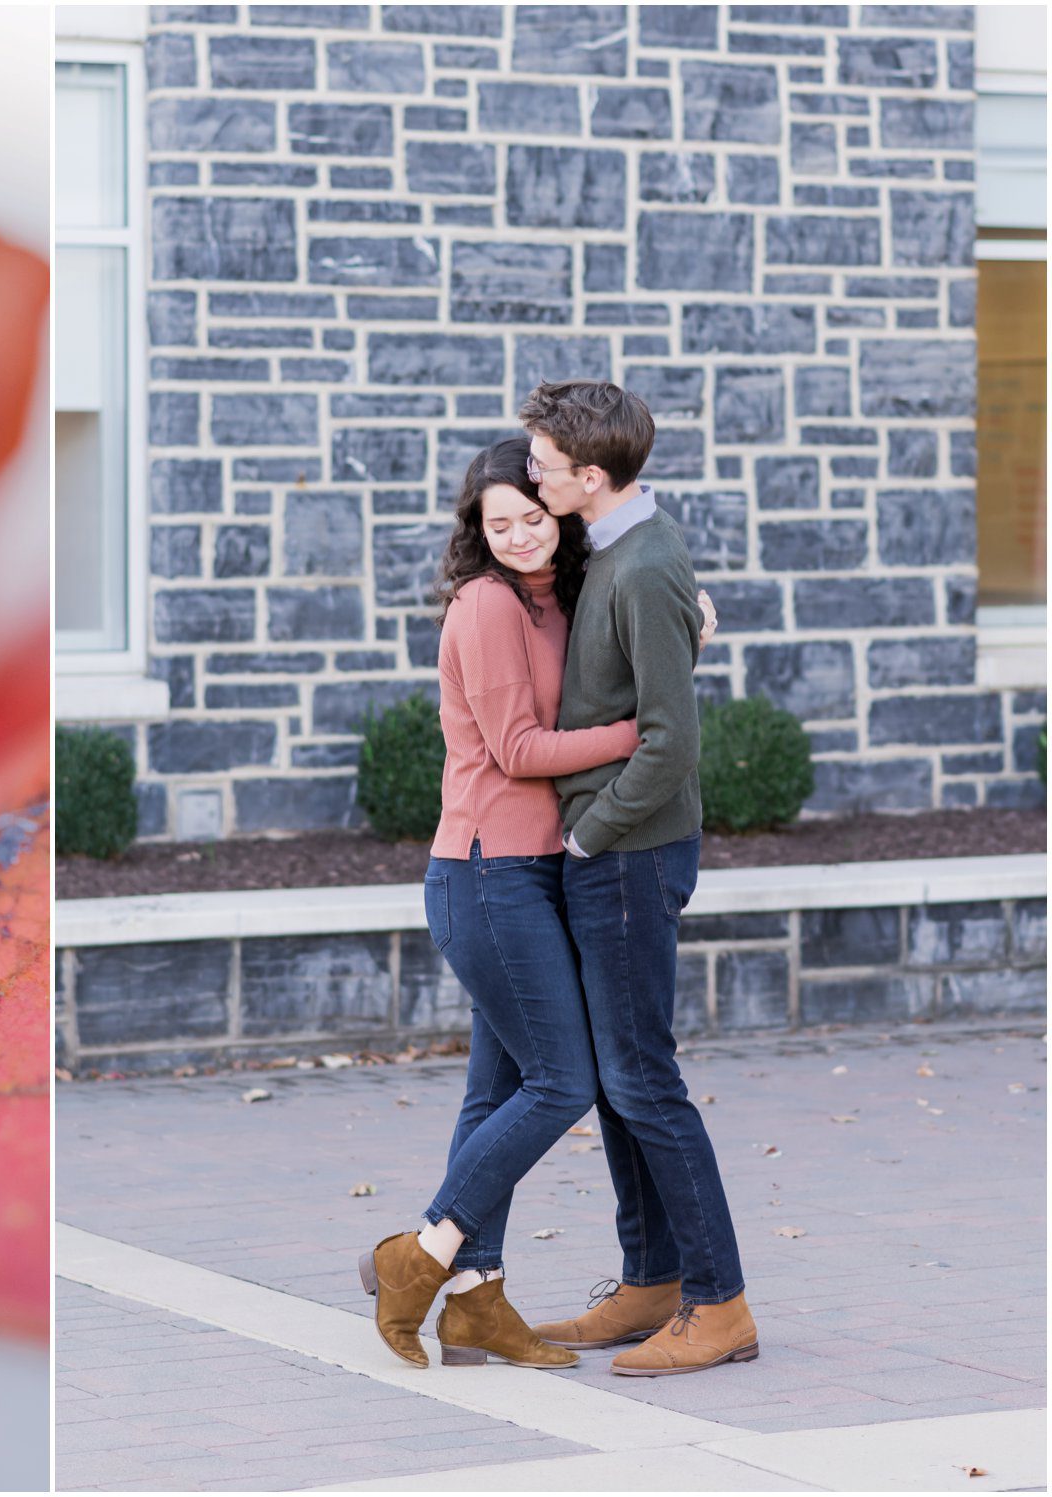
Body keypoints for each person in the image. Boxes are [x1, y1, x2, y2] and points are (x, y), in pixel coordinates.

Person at [359, 435, 715, 1370]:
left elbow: (616, 660)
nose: (518, 535)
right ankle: (425, 1250)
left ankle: (477, 1298)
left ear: (561, 508)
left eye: (531, 514)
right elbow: (518, 749)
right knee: (564, 1079)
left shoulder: (568, 595)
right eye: (497, 522)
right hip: (487, 871)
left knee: (500, 1088)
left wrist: (686, 632)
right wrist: (649, 728)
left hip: (541, 869)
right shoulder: (485, 606)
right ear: (475, 531)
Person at [519, 379, 758, 1377]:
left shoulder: (646, 565)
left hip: (626, 856)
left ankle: (719, 1303)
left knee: (642, 1081)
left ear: (591, 475)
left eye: (542, 462)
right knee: (619, 1086)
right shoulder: (614, 546)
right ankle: (649, 1285)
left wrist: (587, 837)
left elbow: (668, 742)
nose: (529, 473)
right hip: (608, 853)